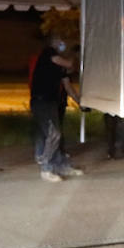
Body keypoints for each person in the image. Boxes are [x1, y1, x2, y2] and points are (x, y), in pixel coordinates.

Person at [29, 34, 83, 183]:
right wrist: (74, 54)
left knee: (56, 135)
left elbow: (68, 86)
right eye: (59, 40)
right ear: (53, 42)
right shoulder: (49, 53)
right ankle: (46, 168)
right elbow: (68, 64)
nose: (62, 43)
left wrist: (80, 102)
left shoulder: (58, 66)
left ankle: (60, 165)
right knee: (53, 134)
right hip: (41, 102)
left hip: (52, 102)